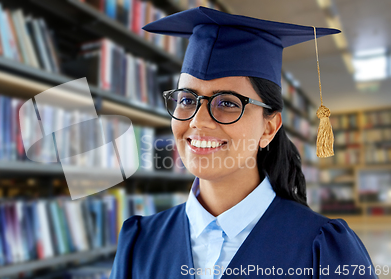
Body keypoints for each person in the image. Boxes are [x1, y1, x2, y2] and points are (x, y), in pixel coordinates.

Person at [109, 6, 377, 279]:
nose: (198, 121)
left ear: (269, 128)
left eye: (227, 103)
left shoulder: (322, 249)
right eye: (187, 100)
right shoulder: (140, 243)